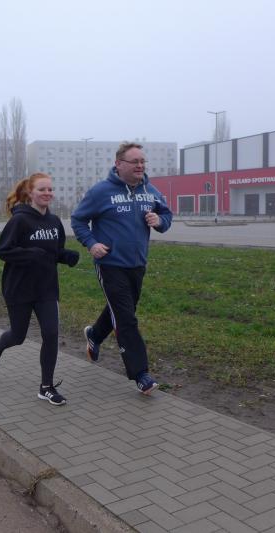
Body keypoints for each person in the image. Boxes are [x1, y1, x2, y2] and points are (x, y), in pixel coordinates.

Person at [71, 142, 172, 395]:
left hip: (137, 264)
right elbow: (78, 219)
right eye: (134, 161)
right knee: (126, 318)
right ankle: (141, 374)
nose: (140, 166)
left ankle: (95, 335)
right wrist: (91, 244)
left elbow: (167, 215)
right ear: (119, 164)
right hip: (110, 264)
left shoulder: (150, 190)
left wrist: (159, 220)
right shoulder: (101, 191)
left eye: (142, 161)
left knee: (121, 309)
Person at [0, 172, 79, 406]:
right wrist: (30, 254)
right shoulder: (19, 221)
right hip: (19, 288)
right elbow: (3, 251)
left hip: (46, 289)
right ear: (30, 192)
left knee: (51, 334)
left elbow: (53, 252)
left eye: (50, 189)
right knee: (18, 336)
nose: (47, 193)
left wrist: (66, 256)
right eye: (42, 189)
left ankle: (46, 387)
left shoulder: (54, 221)